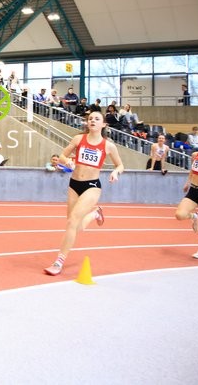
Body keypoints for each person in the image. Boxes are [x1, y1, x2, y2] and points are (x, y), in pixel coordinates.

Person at [44, 111, 125, 276]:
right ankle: (95, 214)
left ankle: (59, 261)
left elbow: (120, 165)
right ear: (87, 123)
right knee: (75, 225)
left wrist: (116, 172)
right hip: (74, 184)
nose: (93, 121)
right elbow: (61, 156)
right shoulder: (78, 139)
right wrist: (67, 161)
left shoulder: (108, 145)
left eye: (97, 119)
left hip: (92, 186)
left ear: (103, 125)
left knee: (72, 221)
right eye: (90, 119)